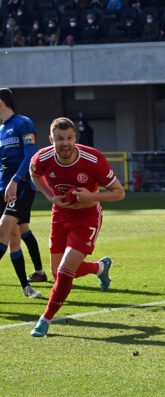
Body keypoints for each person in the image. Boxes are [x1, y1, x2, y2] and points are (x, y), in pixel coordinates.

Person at [29, 117, 126, 337]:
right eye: (60, 138)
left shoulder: (93, 159)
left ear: (75, 138)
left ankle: (45, 319)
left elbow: (119, 192)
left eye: (70, 138)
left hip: (87, 217)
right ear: (51, 139)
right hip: (60, 215)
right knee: (57, 272)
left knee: (64, 272)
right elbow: (34, 173)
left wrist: (92, 195)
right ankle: (101, 268)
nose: (65, 143)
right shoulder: (41, 158)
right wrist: (49, 196)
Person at [0, 88, 46, 297]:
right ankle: (26, 287)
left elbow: (30, 156)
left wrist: (15, 181)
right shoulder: (1, 129)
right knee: (14, 237)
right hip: (3, 188)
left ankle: (37, 272)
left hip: (21, 187)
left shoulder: (23, 123)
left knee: (4, 230)